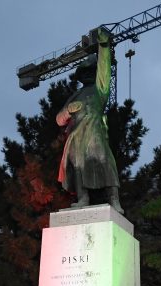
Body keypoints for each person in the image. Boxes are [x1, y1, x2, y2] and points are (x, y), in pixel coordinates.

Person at [56, 28, 124, 214]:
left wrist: (103, 46)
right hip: (75, 139)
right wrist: (69, 110)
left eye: (89, 70)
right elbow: (59, 119)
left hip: (95, 133)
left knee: (106, 163)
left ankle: (114, 200)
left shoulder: (100, 91)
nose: (86, 74)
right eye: (83, 72)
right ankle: (82, 198)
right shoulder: (75, 95)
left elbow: (104, 71)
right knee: (77, 166)